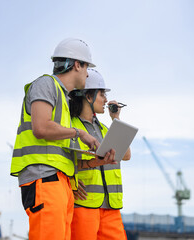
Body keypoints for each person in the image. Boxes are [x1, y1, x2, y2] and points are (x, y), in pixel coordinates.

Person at [10, 38, 116, 240]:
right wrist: (80, 133)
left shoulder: (64, 101)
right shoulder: (45, 84)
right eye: (86, 67)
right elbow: (41, 128)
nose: (87, 73)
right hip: (45, 180)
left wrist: (96, 161)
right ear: (77, 64)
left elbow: (58, 152)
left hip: (61, 183)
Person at [69, 68, 131, 240]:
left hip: (111, 207)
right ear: (88, 96)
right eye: (101, 94)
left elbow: (126, 155)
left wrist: (116, 119)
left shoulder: (105, 129)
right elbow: (62, 160)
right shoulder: (71, 127)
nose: (105, 99)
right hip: (84, 205)